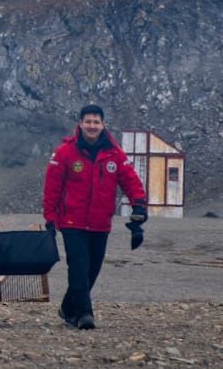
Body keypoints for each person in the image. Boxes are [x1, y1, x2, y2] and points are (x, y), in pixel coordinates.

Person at [42, 104, 147, 330]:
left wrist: (139, 205)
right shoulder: (65, 152)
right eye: (88, 122)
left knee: (92, 270)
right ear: (80, 123)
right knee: (78, 267)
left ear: (103, 125)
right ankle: (84, 315)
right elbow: (52, 188)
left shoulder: (114, 153)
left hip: (100, 223)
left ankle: (68, 308)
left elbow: (130, 180)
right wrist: (50, 218)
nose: (92, 126)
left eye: (96, 122)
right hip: (72, 222)